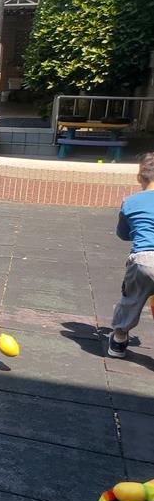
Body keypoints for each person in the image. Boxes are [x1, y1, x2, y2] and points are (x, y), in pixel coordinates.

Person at [108, 153, 154, 358]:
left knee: (131, 301)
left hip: (144, 261)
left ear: (139, 177)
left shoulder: (130, 202)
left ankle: (119, 340)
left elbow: (123, 234)